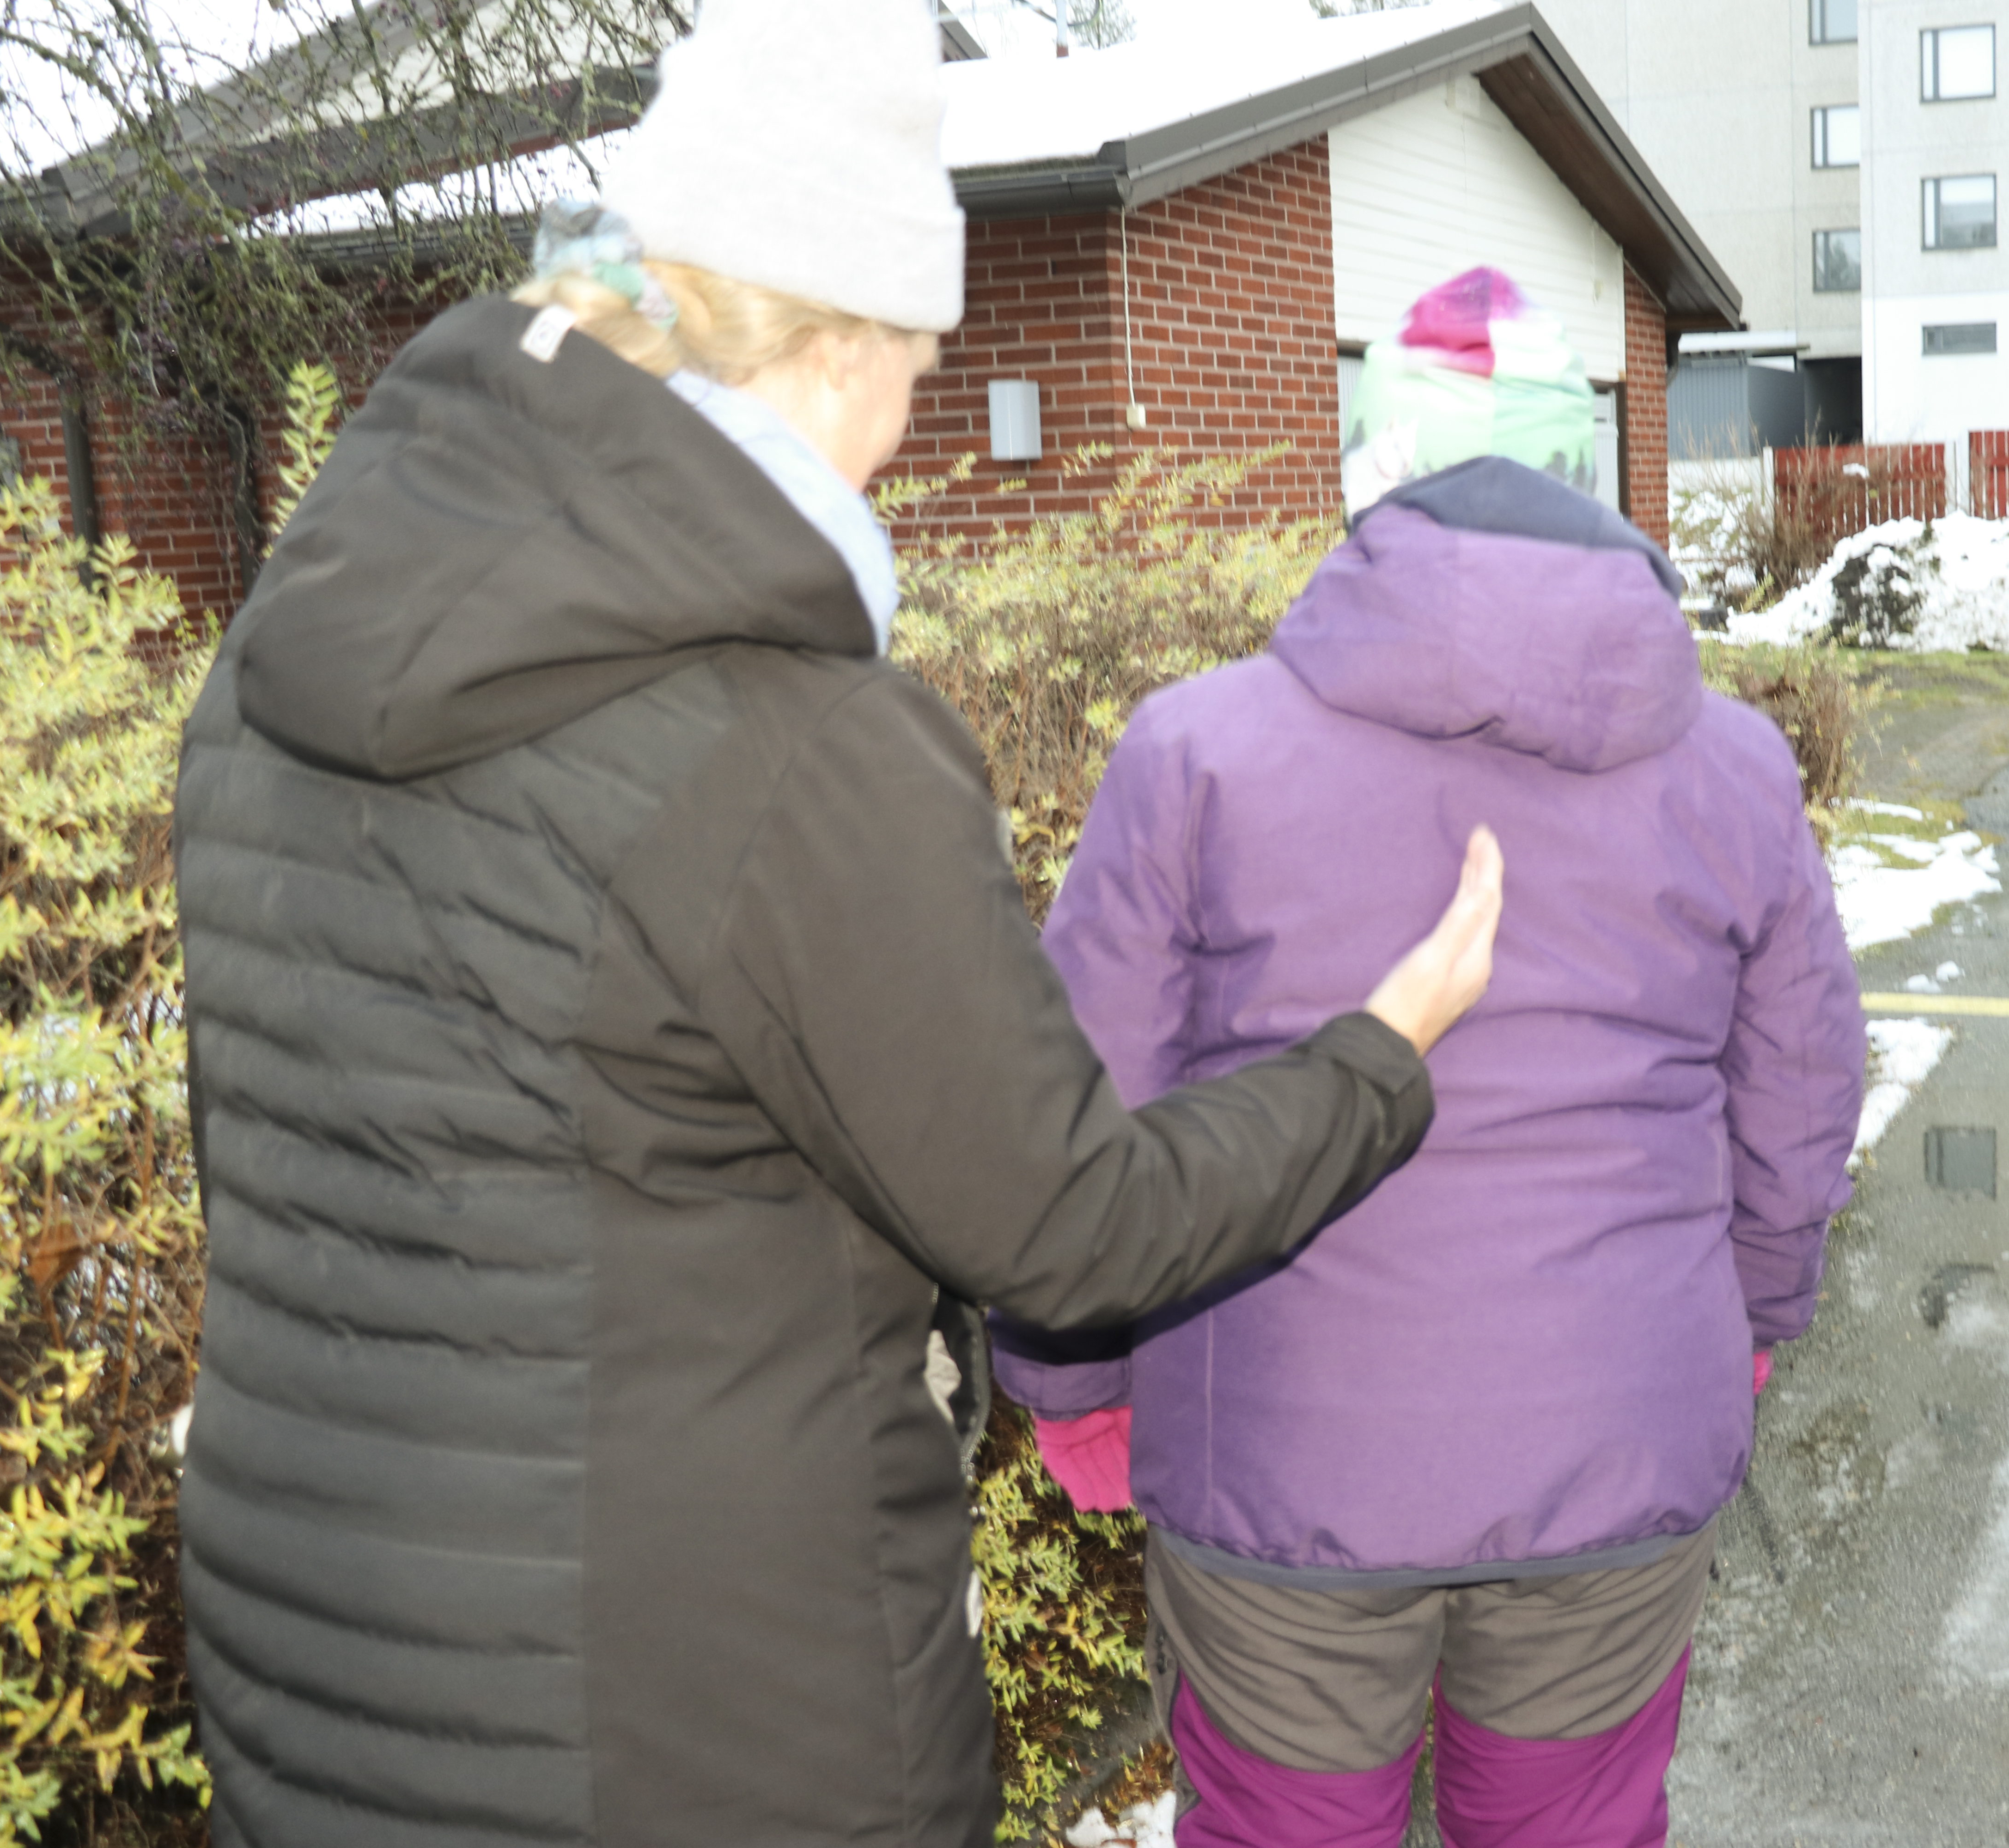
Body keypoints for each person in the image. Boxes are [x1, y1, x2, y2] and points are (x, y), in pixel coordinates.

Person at [166, 5, 1501, 1844]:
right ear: (843, 342)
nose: (911, 422)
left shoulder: (263, 676)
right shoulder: (793, 752)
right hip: (691, 1723)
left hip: (315, 1681)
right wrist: (1381, 1058)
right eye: (921, 368)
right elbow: (1072, 1223)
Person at [996, 268, 1868, 1848]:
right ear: (1581, 485)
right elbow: (1800, 1098)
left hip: (1275, 1470)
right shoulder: (1734, 768)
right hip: (1616, 1455)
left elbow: (1077, 1121)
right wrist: (1747, 1323)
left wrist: (1073, 1389)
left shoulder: (1193, 754)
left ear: (1369, 484)